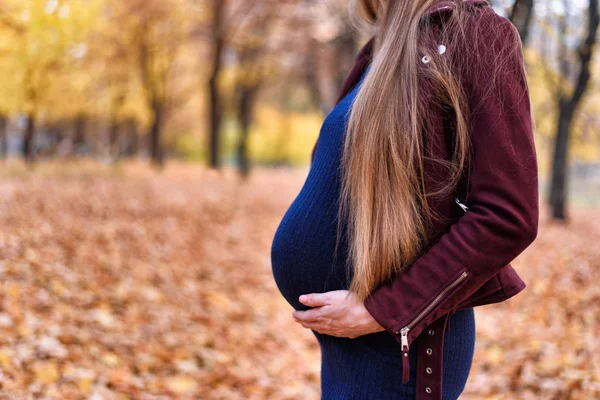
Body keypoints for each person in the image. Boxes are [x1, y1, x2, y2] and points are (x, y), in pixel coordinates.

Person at [270, 0, 539, 399]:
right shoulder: (380, 51)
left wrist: (382, 311)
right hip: (348, 344)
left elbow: (508, 216)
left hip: (402, 347)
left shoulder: (476, 34)